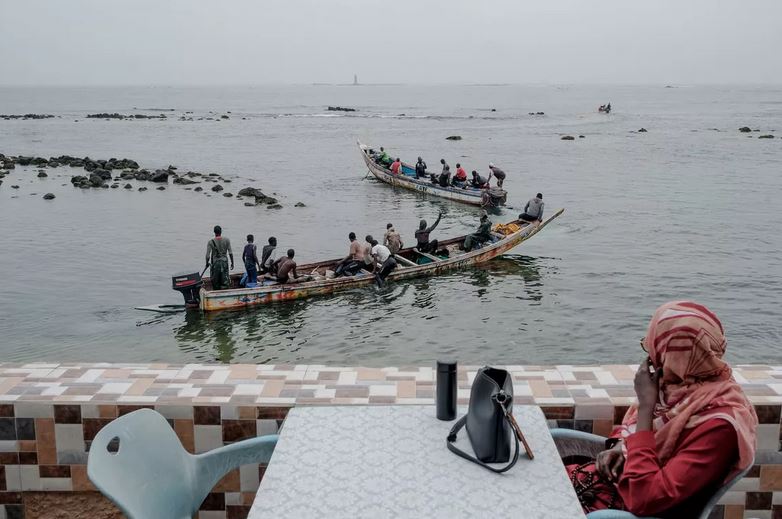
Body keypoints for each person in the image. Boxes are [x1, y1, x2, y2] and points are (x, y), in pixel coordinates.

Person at [564, 301, 757, 517]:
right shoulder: (679, 391)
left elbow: (645, 497)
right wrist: (620, 446)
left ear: (673, 356)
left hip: (614, 508)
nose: (650, 358)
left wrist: (646, 408)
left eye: (652, 348)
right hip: (598, 485)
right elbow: (637, 436)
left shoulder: (719, 426)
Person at [205, 225, 234, 290]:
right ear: (221, 231)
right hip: (224, 263)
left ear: (214, 232)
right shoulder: (227, 240)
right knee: (225, 281)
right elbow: (230, 253)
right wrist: (232, 262)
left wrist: (207, 263)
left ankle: (216, 293)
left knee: (215, 282)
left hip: (215, 264)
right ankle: (224, 293)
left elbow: (207, 256)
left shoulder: (210, 242)